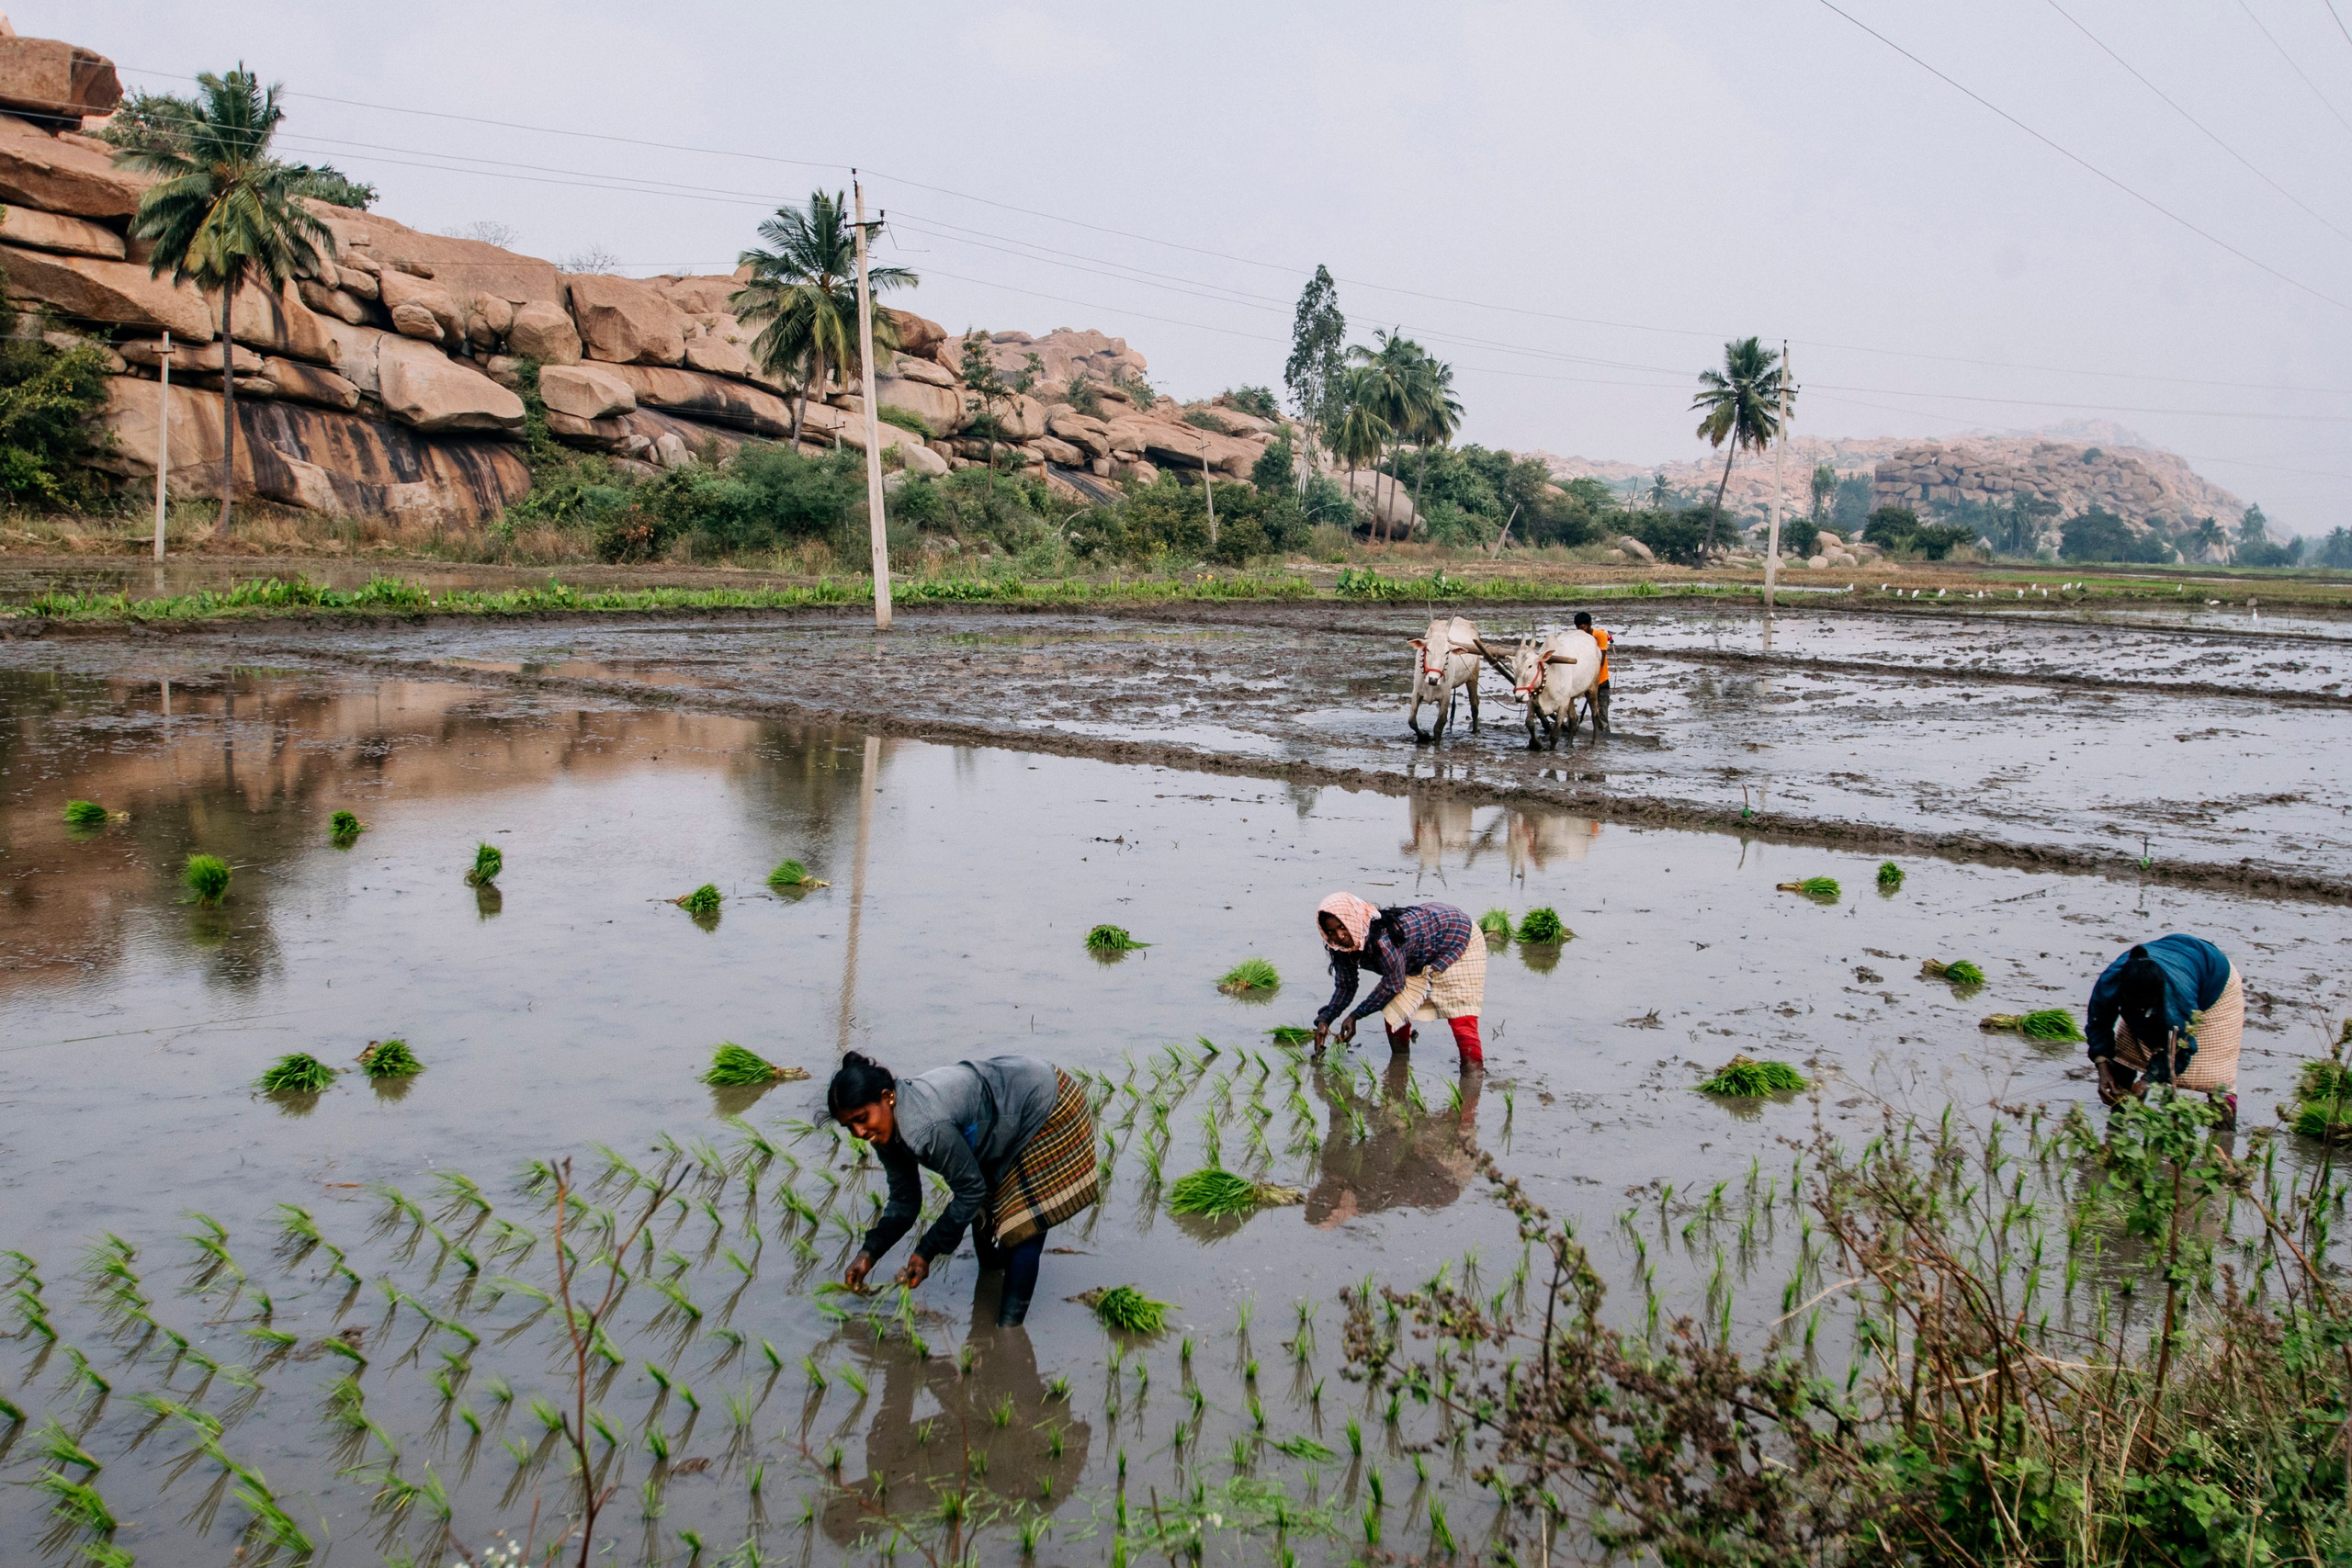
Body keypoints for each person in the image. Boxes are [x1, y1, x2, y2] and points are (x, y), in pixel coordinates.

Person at [831, 1051, 1099, 1326]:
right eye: (849, 1126)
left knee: (1023, 1227)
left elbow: (970, 1191)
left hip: (1044, 1103)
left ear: (888, 1097)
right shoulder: (886, 1131)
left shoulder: (928, 1128)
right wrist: (869, 1253)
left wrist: (926, 1251)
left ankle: (1009, 1331)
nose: (860, 1133)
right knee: (986, 1214)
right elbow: (905, 1199)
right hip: (1000, 1110)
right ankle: (991, 1279)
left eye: (862, 1118)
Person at [1311, 891, 1486, 1070]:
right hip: (1416, 953)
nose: (1339, 936)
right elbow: (1346, 987)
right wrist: (1326, 1019)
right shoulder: (1342, 948)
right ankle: (1399, 1067)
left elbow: (1393, 985)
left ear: (1353, 919)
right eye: (1331, 932)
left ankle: (1473, 1073)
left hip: (1456, 935)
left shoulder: (1383, 940)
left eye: (1342, 927)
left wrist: (1355, 1016)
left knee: (1461, 1016)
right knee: (1394, 1011)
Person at [2085, 934, 2241, 1129]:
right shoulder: (2112, 980)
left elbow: (2182, 1049)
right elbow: (2099, 1022)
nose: (2141, 1011)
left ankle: (2223, 1139)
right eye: (2137, 1006)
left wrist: (2149, 1079)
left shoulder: (2179, 998)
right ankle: (2118, 1124)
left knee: (2216, 1078)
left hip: (2214, 982)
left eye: (2146, 1006)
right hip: (2162, 972)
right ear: (2122, 990)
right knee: (2124, 1056)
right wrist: (2102, 1067)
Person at [1573, 611, 1611, 731]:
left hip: (1600, 681)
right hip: (1587, 681)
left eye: (1583, 627)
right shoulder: (1579, 638)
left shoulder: (1599, 635)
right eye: (1578, 628)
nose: (1581, 631)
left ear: (1590, 625)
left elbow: (1601, 659)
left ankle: (1605, 737)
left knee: (1602, 715)